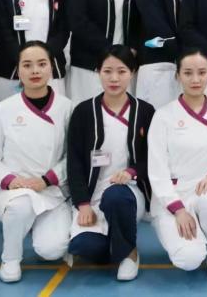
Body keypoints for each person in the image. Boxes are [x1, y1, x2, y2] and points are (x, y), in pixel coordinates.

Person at [0, 41, 73, 282]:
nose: (35, 71)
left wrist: (47, 179)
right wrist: (11, 180)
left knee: (51, 251)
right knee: (21, 206)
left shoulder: (67, 108)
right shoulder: (3, 109)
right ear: (18, 70)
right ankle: (10, 259)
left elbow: (73, 157)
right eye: (27, 65)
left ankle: (37, 226)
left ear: (51, 68)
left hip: (52, 190)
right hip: (14, 191)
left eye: (42, 64)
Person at [66, 45, 155, 281]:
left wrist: (132, 171)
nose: (114, 78)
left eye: (122, 71)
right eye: (107, 71)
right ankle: (115, 242)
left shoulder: (145, 111)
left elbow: (153, 157)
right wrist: (83, 204)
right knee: (83, 248)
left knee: (116, 196)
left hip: (128, 193)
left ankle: (129, 253)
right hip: (93, 196)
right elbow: (74, 162)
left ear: (132, 73)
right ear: (98, 72)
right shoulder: (84, 111)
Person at [147, 49, 207, 280]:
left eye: (202, 72)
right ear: (177, 76)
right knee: (189, 259)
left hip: (205, 192)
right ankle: (193, 245)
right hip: (171, 198)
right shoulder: (163, 116)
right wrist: (178, 209)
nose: (195, 79)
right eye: (188, 73)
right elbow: (157, 171)